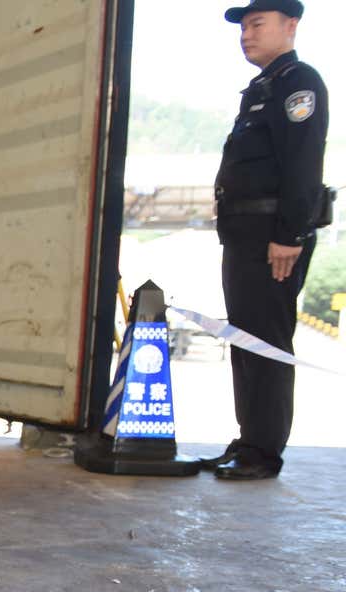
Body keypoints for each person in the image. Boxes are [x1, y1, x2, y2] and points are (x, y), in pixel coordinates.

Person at [203, 0, 329, 480]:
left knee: (267, 343)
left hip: (273, 238)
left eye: (257, 24)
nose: (246, 35)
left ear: (290, 25)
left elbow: (302, 164)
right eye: (243, 27)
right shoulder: (262, 88)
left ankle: (264, 452)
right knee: (245, 340)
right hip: (245, 235)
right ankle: (250, 438)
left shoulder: (299, 83)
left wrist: (289, 235)